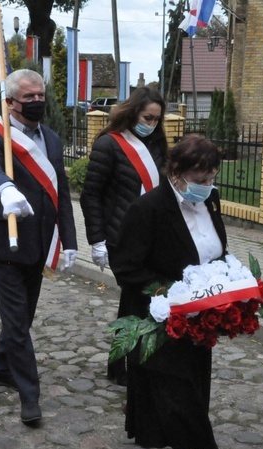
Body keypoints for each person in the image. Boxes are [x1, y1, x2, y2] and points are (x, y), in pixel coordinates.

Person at [111, 136, 226, 449]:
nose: (207, 187)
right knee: (177, 388)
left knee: (193, 381)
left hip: (201, 316)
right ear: (175, 173)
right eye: (200, 179)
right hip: (160, 317)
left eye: (212, 179)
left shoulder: (211, 200)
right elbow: (126, 267)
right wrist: (169, 292)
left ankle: (150, 410)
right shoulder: (148, 209)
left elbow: (217, 248)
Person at [0, 69, 77, 426]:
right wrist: (4, 188)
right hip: (4, 243)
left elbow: (61, 192)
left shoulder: (49, 137)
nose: (36, 102)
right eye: (28, 97)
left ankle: (1, 366)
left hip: (38, 243)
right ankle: (29, 394)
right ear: (10, 102)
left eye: (40, 96)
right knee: (17, 321)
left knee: (23, 316)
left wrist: (70, 241)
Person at [80, 86, 168, 386]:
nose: (152, 124)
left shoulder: (157, 144)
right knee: (136, 299)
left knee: (137, 302)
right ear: (132, 113)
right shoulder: (109, 144)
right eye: (147, 117)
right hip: (121, 239)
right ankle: (128, 367)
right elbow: (90, 195)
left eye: (157, 119)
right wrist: (97, 240)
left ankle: (125, 365)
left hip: (154, 239)